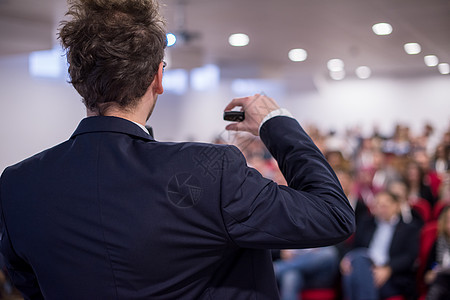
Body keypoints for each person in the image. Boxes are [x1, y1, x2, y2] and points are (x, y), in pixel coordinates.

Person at [0, 0, 355, 299]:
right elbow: (332, 215)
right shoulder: (210, 171)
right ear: (158, 77)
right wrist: (275, 122)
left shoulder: (17, 185)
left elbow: (30, 285)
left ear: (78, 81)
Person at [340, 191, 420, 300]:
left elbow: (409, 256)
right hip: (365, 264)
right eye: (377, 205)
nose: (381, 209)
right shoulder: (366, 223)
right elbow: (353, 246)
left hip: (390, 275)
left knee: (353, 275)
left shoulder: (409, 228)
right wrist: (347, 258)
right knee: (358, 261)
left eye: (385, 206)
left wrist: (388, 269)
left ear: (396, 206)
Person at [273, 247, 339, 300]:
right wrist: (283, 251)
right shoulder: (290, 233)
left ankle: (277, 269)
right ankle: (278, 268)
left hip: (318, 275)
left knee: (329, 253)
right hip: (298, 273)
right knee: (290, 276)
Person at [424, 206, 450, 300]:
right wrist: (431, 273)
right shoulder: (439, 241)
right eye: (448, 220)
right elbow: (429, 269)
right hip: (441, 280)